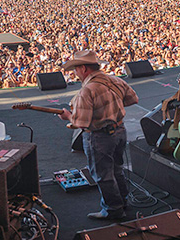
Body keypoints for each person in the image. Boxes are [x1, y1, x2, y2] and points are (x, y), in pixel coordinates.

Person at [57, 49, 138, 221]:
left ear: (84, 68)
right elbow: (133, 99)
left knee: (103, 175)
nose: (75, 73)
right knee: (117, 169)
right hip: (120, 131)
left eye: (76, 69)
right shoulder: (114, 80)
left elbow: (80, 122)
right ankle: (123, 203)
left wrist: (67, 116)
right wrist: (110, 107)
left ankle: (113, 210)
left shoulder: (87, 91)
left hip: (99, 137)